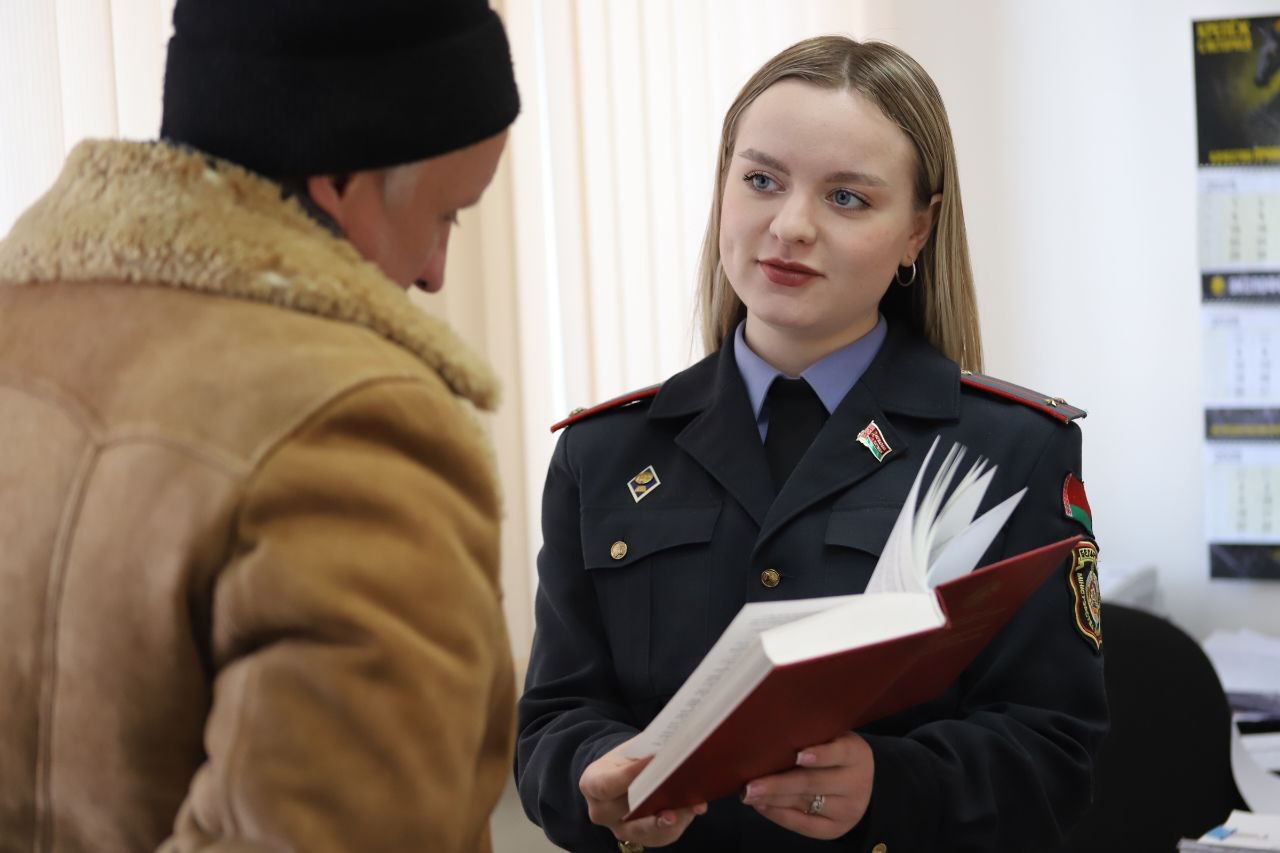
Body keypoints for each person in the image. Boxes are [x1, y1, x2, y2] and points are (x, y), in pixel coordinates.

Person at [516, 35, 1105, 853]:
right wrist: (595, 772)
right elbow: (552, 721)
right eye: (761, 180)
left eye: (847, 198)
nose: (790, 226)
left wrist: (890, 786)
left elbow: (1056, 750)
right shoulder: (604, 452)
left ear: (918, 229)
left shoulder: (1011, 448)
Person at [0, 1, 519, 851]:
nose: (434, 273)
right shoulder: (355, 423)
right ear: (339, 179)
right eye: (446, 214)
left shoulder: (18, 332)